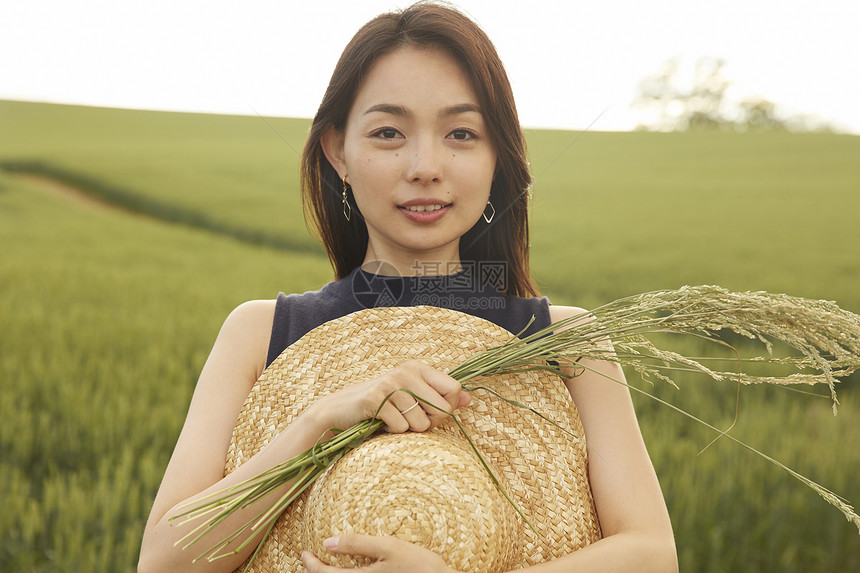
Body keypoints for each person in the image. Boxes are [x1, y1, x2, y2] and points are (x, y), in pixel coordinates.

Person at [139, 2, 677, 572]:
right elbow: (163, 564)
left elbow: (651, 555)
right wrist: (314, 423)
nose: (425, 165)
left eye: (462, 133)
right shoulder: (259, 332)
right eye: (389, 132)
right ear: (338, 151)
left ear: (498, 156)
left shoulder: (566, 340)